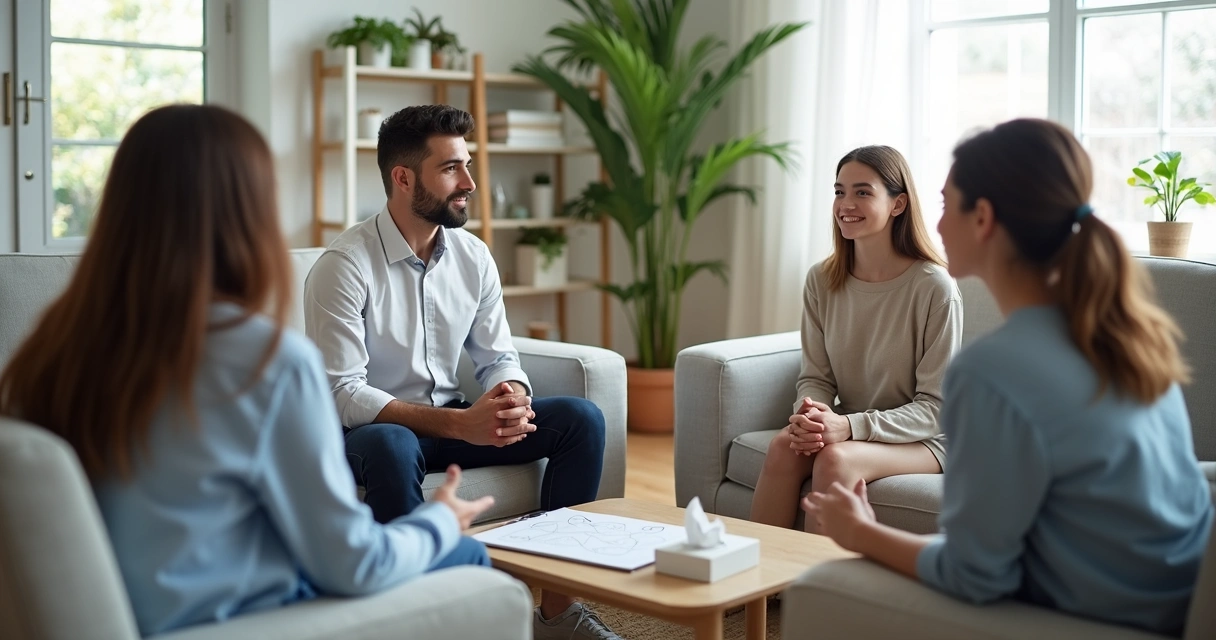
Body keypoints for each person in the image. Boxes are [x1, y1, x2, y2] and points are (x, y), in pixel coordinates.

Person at [0, 105, 500, 636]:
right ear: (246, 213)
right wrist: (440, 520)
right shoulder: (267, 363)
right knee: (466, 558)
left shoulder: (49, 353)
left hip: (134, 614)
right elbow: (355, 564)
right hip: (241, 616)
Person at [805, 118, 1214, 635]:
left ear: (984, 219)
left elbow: (974, 575)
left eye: (947, 203)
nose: (940, 223)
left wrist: (861, 533)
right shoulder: (1129, 334)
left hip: (1096, 617)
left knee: (816, 591)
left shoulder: (992, 370)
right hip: (1175, 605)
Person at [303, 104, 618, 640]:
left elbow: (498, 357)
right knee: (391, 445)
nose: (469, 182)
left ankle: (558, 615)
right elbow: (342, 392)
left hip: (450, 422)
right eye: (451, 168)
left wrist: (510, 396)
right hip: (367, 432)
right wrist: (462, 425)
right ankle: (420, 621)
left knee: (580, 420)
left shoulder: (473, 256)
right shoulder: (345, 265)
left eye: (467, 164)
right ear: (403, 178)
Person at [749, 145, 962, 533]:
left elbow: (935, 408)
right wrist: (809, 415)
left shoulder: (934, 288)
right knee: (784, 447)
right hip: (851, 424)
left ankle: (815, 592)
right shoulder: (822, 279)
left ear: (898, 204)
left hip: (927, 439)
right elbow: (816, 376)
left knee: (836, 461)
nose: (846, 203)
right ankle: (756, 592)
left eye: (863, 192)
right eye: (839, 191)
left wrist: (848, 427)